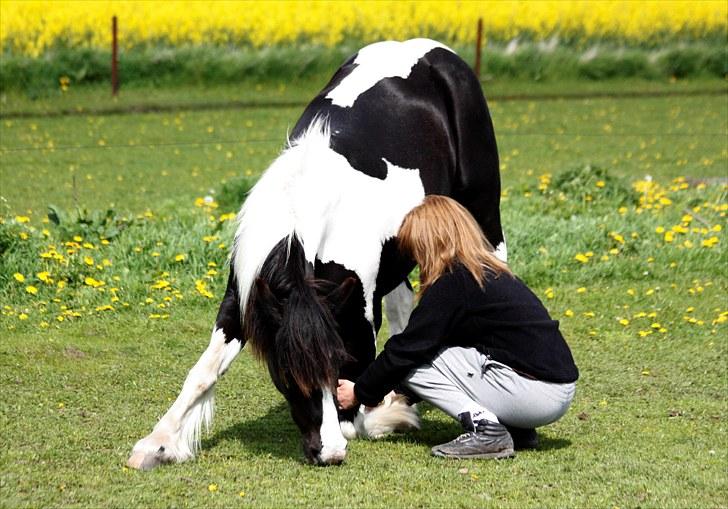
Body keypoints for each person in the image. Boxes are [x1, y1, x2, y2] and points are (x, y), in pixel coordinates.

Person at [337, 195, 578, 459]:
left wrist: (360, 392)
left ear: (430, 243)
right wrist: (394, 393)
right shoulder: (486, 272)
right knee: (427, 355)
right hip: (556, 389)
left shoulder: (454, 282)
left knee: (412, 362)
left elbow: (407, 350)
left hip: (536, 394)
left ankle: (488, 431)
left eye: (416, 249)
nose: (416, 260)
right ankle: (515, 427)